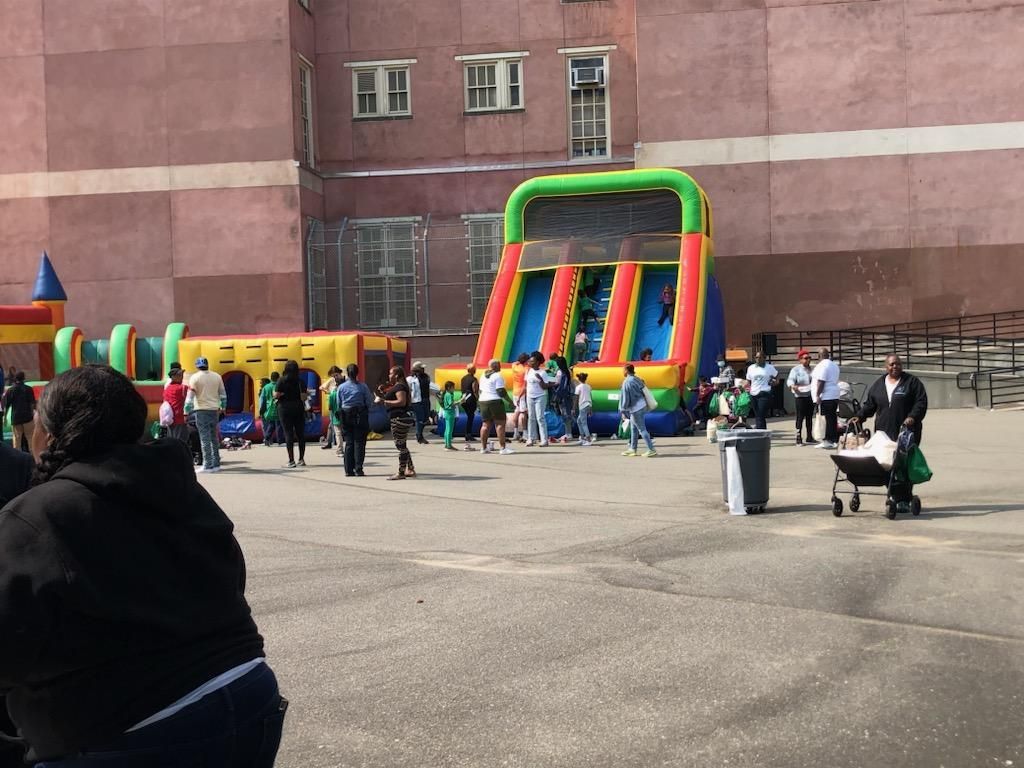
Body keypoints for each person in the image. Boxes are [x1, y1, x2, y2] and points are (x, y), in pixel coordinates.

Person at [0, 365, 285, 767]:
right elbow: (230, 575)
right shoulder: (179, 484)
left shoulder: (38, 515)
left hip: (138, 726)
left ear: (47, 433)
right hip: (249, 694)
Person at [852, 354, 928, 445]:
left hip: (906, 431)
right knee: (884, 457)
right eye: (892, 364)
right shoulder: (879, 385)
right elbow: (869, 405)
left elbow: (921, 402)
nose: (895, 366)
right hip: (883, 433)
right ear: (886, 367)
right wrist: (859, 416)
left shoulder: (912, 382)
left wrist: (912, 416)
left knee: (904, 458)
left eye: (898, 364)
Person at [376, 366, 417, 480]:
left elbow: (401, 402)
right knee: (402, 444)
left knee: (400, 446)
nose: (389, 376)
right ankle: (410, 468)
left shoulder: (400, 386)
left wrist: (384, 401)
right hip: (400, 418)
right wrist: (383, 393)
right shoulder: (398, 386)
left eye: (391, 374)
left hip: (399, 419)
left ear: (397, 375)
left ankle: (401, 472)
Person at [185, 358, 225, 473]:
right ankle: (216, 463)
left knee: (204, 438)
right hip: (214, 410)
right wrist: (223, 407)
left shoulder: (195, 377)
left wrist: (186, 411)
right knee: (214, 437)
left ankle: (207, 465)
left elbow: (190, 397)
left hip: (201, 410)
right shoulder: (217, 376)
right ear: (207, 365)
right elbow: (223, 394)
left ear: (197, 366)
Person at [337, 363, 373, 476]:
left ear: (347, 373)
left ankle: (348, 470)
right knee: (359, 443)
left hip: (346, 415)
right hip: (360, 415)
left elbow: (339, 403)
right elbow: (369, 402)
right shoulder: (363, 387)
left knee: (349, 443)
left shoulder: (341, 387)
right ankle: (358, 468)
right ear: (357, 373)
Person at [274, 360, 308, 468]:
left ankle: (291, 460)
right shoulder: (300, 381)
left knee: (288, 434)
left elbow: (276, 395)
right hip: (298, 407)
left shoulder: (281, 380)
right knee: (300, 434)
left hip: (284, 408)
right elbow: (304, 397)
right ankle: (301, 459)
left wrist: (282, 394)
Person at [477, 359, 515, 455]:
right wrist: (510, 402)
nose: (500, 367)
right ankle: (502, 448)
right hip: (494, 401)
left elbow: (480, 390)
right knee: (500, 424)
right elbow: (500, 391)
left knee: (485, 425)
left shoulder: (482, 376)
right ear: (495, 366)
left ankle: (484, 448)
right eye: (499, 365)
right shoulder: (497, 376)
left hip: (483, 401)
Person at [620, 364, 656, 457]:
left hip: (635, 408)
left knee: (641, 429)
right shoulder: (637, 379)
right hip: (642, 405)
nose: (622, 372)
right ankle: (633, 448)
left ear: (626, 371)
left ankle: (651, 449)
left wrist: (623, 409)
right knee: (633, 428)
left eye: (623, 370)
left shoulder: (627, 382)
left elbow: (625, 397)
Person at [811, 347, 841, 449]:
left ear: (819, 356)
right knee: (832, 418)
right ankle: (834, 439)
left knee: (828, 419)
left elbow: (821, 381)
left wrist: (817, 395)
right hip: (834, 394)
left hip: (827, 395)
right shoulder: (834, 365)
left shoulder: (823, 365)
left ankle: (828, 440)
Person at [524, 352, 554, 447]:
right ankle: (530, 438)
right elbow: (526, 385)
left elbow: (545, 386)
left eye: (532, 361)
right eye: (530, 361)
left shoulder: (542, 372)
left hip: (540, 396)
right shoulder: (528, 371)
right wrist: (524, 397)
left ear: (537, 362)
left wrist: (540, 379)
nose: (530, 362)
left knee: (540, 417)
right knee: (531, 418)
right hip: (530, 396)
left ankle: (544, 439)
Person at [1, 372, 36, 452]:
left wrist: (5, 417)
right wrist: (33, 413)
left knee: (17, 441)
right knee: (30, 439)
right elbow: (32, 403)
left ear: (15, 379)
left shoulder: (10, 390)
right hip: (27, 417)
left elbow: (7, 405)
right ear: (24, 378)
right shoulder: (28, 389)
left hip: (16, 418)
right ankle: (33, 460)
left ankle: (17, 459)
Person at [787, 349, 816, 445]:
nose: (808, 360)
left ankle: (809, 437)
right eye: (806, 358)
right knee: (800, 417)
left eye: (809, 358)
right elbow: (790, 380)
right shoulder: (795, 370)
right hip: (800, 396)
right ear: (800, 360)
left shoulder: (812, 370)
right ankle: (798, 437)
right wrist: (792, 386)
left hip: (810, 395)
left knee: (809, 417)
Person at [745, 351, 779, 430]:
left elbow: (777, 378)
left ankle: (759, 431)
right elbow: (748, 380)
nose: (758, 359)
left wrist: (774, 383)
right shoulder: (751, 368)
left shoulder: (769, 368)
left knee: (760, 413)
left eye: (760, 357)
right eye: (756, 357)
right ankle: (762, 431)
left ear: (764, 358)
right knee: (758, 415)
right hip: (753, 393)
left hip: (764, 393)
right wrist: (746, 387)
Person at [550, 356, 575, 444]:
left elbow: (557, 383)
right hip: (568, 394)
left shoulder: (560, 372)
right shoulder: (568, 371)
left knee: (564, 414)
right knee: (567, 413)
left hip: (561, 395)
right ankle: (569, 432)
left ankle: (568, 433)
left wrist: (550, 383)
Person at [162, 366, 190, 443]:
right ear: (173, 377)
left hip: (169, 419)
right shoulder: (182, 388)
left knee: (172, 440)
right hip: (180, 419)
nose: (181, 377)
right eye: (179, 375)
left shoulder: (167, 388)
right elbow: (194, 392)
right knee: (180, 441)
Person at [319, 366, 343, 450]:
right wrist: (328, 392)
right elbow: (321, 387)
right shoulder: (333, 380)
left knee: (334, 425)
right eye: (334, 375)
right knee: (333, 424)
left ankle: (332, 442)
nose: (335, 377)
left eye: (335, 375)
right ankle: (331, 441)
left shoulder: (340, 379)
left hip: (337, 404)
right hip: (336, 403)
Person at [411, 362, 432, 444]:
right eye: (421, 368)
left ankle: (419, 433)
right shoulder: (412, 378)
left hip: (426, 399)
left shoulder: (426, 376)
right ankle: (419, 436)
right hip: (417, 401)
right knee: (420, 419)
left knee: (426, 418)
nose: (423, 369)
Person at [510, 353, 529, 443]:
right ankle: (525, 432)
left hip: (515, 391)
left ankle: (515, 432)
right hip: (522, 392)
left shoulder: (514, 366)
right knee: (524, 413)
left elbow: (514, 362)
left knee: (516, 411)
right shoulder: (526, 369)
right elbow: (525, 384)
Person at [460, 364, 479, 445]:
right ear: (473, 370)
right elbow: (475, 390)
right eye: (474, 369)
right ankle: (468, 434)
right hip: (471, 399)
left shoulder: (463, 378)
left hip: (464, 398)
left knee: (469, 416)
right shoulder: (474, 379)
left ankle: (467, 433)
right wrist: (478, 398)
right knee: (471, 417)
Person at [259, 372, 281, 446]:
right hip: (278, 408)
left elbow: (262, 399)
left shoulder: (266, 387)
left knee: (271, 424)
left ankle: (267, 438)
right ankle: (280, 440)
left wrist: (261, 409)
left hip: (269, 409)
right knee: (279, 424)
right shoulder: (280, 386)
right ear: (278, 378)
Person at [574, 372, 594, 446]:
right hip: (588, 404)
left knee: (584, 423)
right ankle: (582, 438)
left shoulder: (578, 387)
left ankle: (588, 439)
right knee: (579, 421)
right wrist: (591, 408)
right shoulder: (588, 386)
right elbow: (590, 397)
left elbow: (576, 398)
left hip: (582, 406)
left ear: (579, 379)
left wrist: (573, 408)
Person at [440, 380, 459, 451]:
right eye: (453, 387)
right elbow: (451, 404)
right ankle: (449, 445)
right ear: (449, 388)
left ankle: (447, 444)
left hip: (447, 412)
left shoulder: (446, 394)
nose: (454, 389)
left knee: (447, 429)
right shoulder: (449, 395)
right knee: (450, 429)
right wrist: (460, 401)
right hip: (450, 413)